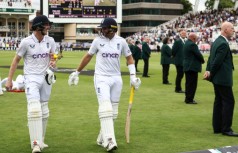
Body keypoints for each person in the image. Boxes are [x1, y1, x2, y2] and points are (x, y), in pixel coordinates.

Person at [68, 17, 141, 152]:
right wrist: (77, 72)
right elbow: (88, 56)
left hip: (116, 78)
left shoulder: (121, 42)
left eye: (105, 28)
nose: (102, 30)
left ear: (113, 29)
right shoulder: (97, 41)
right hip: (101, 77)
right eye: (102, 28)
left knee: (113, 112)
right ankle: (109, 140)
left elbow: (130, 58)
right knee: (106, 108)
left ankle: (101, 138)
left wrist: (133, 77)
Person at [5, 15, 57, 153]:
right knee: (34, 109)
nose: (48, 27)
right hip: (31, 78)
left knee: (44, 110)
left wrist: (53, 62)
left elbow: (54, 57)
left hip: (46, 77)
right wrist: (10, 80)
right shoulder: (26, 42)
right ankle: (35, 143)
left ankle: (41, 140)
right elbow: (16, 60)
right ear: (39, 26)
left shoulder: (50, 40)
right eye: (46, 25)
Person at [203, 21, 238, 137]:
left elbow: (210, 59)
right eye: (232, 28)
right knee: (229, 101)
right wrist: (211, 72)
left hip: (217, 78)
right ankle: (226, 129)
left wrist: (209, 71)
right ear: (225, 30)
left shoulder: (216, 41)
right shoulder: (223, 43)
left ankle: (217, 127)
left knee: (219, 101)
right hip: (222, 78)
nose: (233, 30)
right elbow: (217, 61)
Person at [183, 33, 204, 104]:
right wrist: (202, 60)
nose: (196, 40)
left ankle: (187, 98)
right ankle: (189, 99)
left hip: (187, 66)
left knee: (188, 83)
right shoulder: (192, 45)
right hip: (192, 67)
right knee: (192, 84)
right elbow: (198, 54)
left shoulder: (186, 43)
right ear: (193, 38)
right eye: (196, 39)